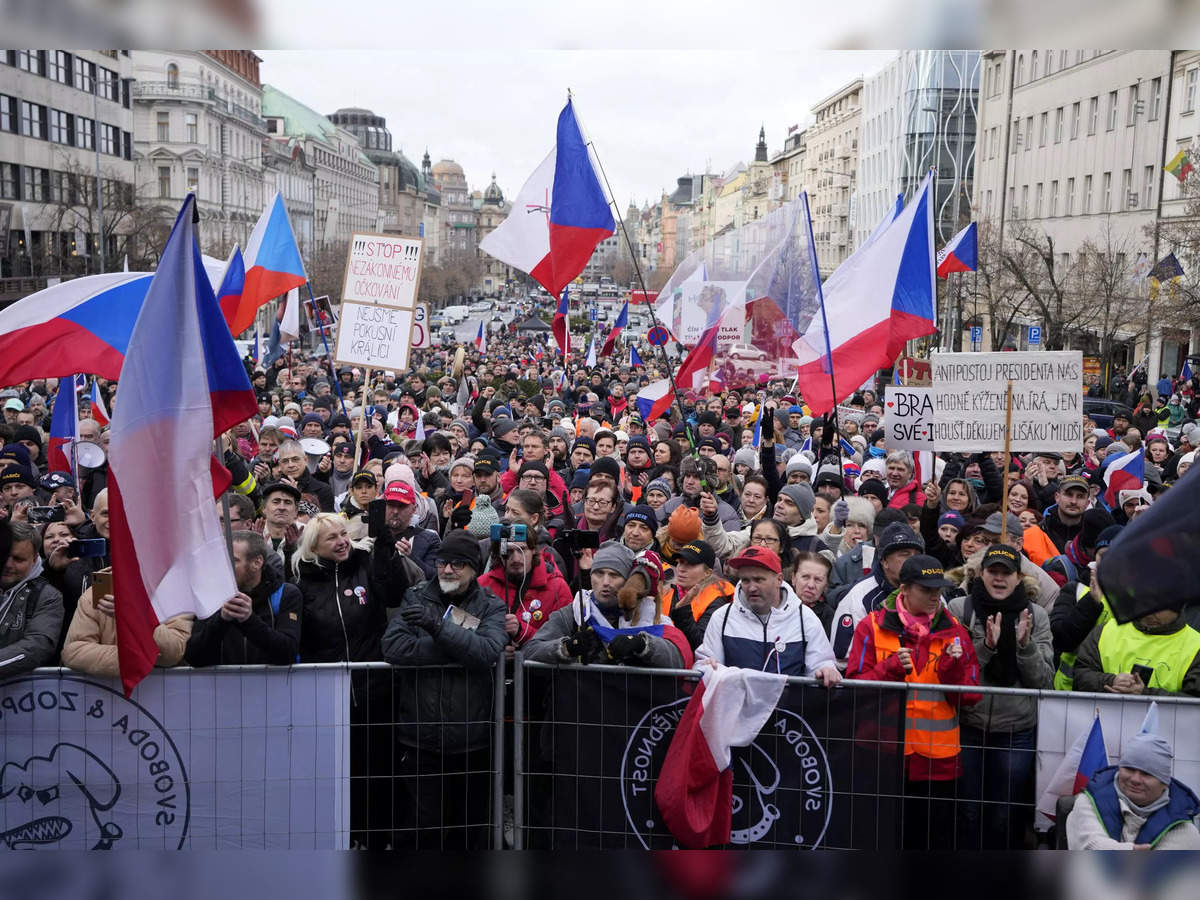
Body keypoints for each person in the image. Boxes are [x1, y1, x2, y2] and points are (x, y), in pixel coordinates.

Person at [381, 529, 507, 849]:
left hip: (472, 743)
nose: (447, 570)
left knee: (469, 833)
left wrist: (437, 628)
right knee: (423, 831)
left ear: (474, 569)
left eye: (458, 564)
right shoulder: (417, 595)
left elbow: (487, 651)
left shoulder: (491, 605)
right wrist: (458, 649)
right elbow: (394, 648)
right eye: (442, 562)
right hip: (420, 740)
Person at [845, 554, 980, 849]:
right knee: (878, 838)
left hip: (937, 762)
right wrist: (889, 670)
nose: (935, 596)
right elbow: (853, 690)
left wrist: (951, 670)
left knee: (931, 841)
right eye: (926, 589)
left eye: (938, 589)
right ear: (904, 589)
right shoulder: (871, 627)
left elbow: (971, 696)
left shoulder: (955, 632)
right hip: (881, 755)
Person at [946, 545, 1054, 849]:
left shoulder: (1038, 616)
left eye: (1006, 572)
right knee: (968, 810)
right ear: (981, 573)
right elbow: (952, 675)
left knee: (1004, 815)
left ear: (1019, 577)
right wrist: (986, 648)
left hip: (1016, 731)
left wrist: (1025, 646)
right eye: (993, 570)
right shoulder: (959, 610)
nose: (999, 578)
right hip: (968, 726)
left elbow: (1044, 681)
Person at [524, 541, 690, 667]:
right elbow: (530, 651)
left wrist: (643, 644)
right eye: (599, 573)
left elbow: (680, 656)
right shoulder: (576, 611)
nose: (605, 582)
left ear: (626, 581)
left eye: (614, 575)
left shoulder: (648, 612)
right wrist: (567, 648)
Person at [694, 545, 841, 684]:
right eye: (745, 580)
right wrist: (705, 666)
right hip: (736, 709)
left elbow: (821, 663)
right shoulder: (722, 617)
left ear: (779, 580)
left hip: (787, 709)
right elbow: (704, 663)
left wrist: (826, 669)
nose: (751, 587)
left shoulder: (805, 618)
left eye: (759, 580)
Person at [185, 531, 303, 666]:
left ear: (257, 563)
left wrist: (249, 620)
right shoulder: (211, 595)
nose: (225, 568)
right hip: (221, 685)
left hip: (272, 685)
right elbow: (193, 656)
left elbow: (288, 653)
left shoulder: (286, 594)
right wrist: (222, 619)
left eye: (233, 561)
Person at [1068, 729, 1200, 849]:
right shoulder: (1089, 801)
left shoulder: (1184, 828)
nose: (1135, 779)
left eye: (1147, 773)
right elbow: (1089, 845)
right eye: (1129, 769)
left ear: (1165, 783)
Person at [829, 523, 925, 665]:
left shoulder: (931, 593)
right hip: (877, 681)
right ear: (884, 561)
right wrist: (891, 665)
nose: (913, 561)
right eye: (904, 554)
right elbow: (843, 658)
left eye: (916, 555)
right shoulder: (859, 596)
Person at [1072, 593, 1200, 696]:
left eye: (1159, 608)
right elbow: (1081, 675)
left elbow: (1194, 702)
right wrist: (1111, 681)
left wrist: (1145, 694)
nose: (1150, 613)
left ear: (1176, 609)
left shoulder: (1195, 646)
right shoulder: (1107, 631)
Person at [477, 523, 572, 653]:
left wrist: (521, 631)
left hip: (538, 672)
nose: (516, 559)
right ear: (499, 553)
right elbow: (468, 633)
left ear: (534, 550)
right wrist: (494, 648)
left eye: (522, 550)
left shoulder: (557, 588)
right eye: (509, 551)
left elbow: (561, 642)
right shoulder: (483, 585)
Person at [0, 522, 63, 675]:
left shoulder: (48, 597)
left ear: (34, 559)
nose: (7, 564)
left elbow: (37, 647)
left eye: (18, 559)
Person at [665, 540, 734, 649]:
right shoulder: (666, 590)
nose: (682, 569)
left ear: (707, 573)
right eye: (681, 562)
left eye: (690, 564)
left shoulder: (717, 598)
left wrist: (683, 611)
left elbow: (701, 645)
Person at [381, 480, 442, 579]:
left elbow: (435, 577)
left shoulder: (430, 539)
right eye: (391, 505)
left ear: (413, 509)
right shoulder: (372, 536)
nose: (395, 511)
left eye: (402, 506)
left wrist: (410, 558)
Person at [274, 438, 334, 511]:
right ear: (280, 465)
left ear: (305, 460)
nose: (291, 465)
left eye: (295, 459)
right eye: (285, 461)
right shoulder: (271, 489)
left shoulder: (323, 490)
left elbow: (324, 521)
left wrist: (296, 496)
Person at [1041, 474, 1090, 553]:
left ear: (1087, 503)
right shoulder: (1041, 530)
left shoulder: (1093, 535)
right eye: (1069, 494)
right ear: (1057, 497)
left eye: (1080, 496)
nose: (1073, 501)